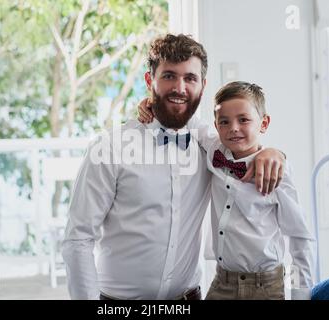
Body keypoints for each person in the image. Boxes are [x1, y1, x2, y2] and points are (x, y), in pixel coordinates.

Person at [62, 34, 285, 300]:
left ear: (202, 86)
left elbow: (244, 149)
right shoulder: (109, 148)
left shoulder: (209, 145)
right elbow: (78, 239)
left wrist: (274, 153)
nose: (179, 88)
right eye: (169, 76)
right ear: (149, 81)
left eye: (189, 78)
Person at [199, 81, 315, 299]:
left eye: (243, 120)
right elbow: (190, 123)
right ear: (216, 126)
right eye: (224, 122)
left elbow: (299, 237)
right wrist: (151, 104)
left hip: (265, 286)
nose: (233, 127)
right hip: (221, 282)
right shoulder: (214, 149)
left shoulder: (277, 172)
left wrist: (300, 294)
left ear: (264, 123)